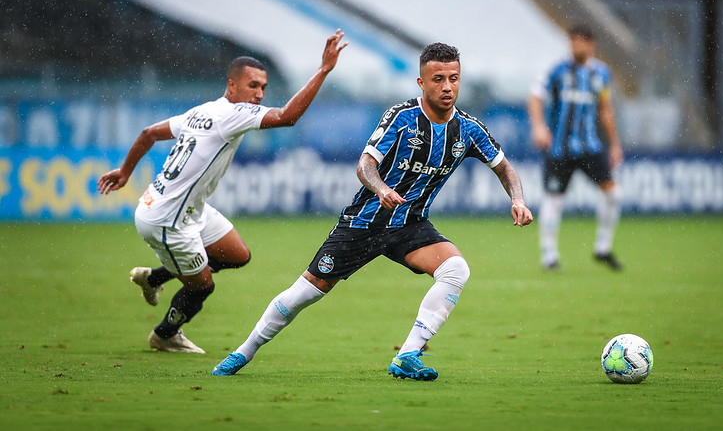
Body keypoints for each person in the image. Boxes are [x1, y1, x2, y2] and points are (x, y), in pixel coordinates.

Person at [211, 42, 534, 380]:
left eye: (454, 78)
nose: (447, 86)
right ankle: (242, 352)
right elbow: (365, 165)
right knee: (304, 294)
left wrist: (518, 199)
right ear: (421, 83)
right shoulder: (401, 117)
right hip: (364, 224)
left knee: (456, 269)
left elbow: (504, 168)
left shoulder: (468, 129)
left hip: (410, 225)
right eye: (438, 78)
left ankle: (408, 354)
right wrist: (381, 189)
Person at [97, 30, 348, 353]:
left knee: (236, 254)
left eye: (263, 87)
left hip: (187, 208)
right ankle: (165, 334)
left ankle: (156, 278)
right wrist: (324, 69)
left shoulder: (203, 111)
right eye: (252, 86)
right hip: (166, 219)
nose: (259, 94)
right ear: (232, 85)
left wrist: (125, 171)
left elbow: (148, 134)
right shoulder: (232, 114)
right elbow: (288, 116)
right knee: (202, 286)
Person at [528, 25, 624, 271]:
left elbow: (605, 109)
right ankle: (549, 255)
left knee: (613, 194)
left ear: (590, 44)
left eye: (579, 42)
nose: (574, 47)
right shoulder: (558, 70)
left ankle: (602, 247)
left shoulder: (601, 74)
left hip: (590, 147)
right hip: (559, 149)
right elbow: (535, 96)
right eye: (571, 42)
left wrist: (614, 144)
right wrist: (538, 127)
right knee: (554, 200)